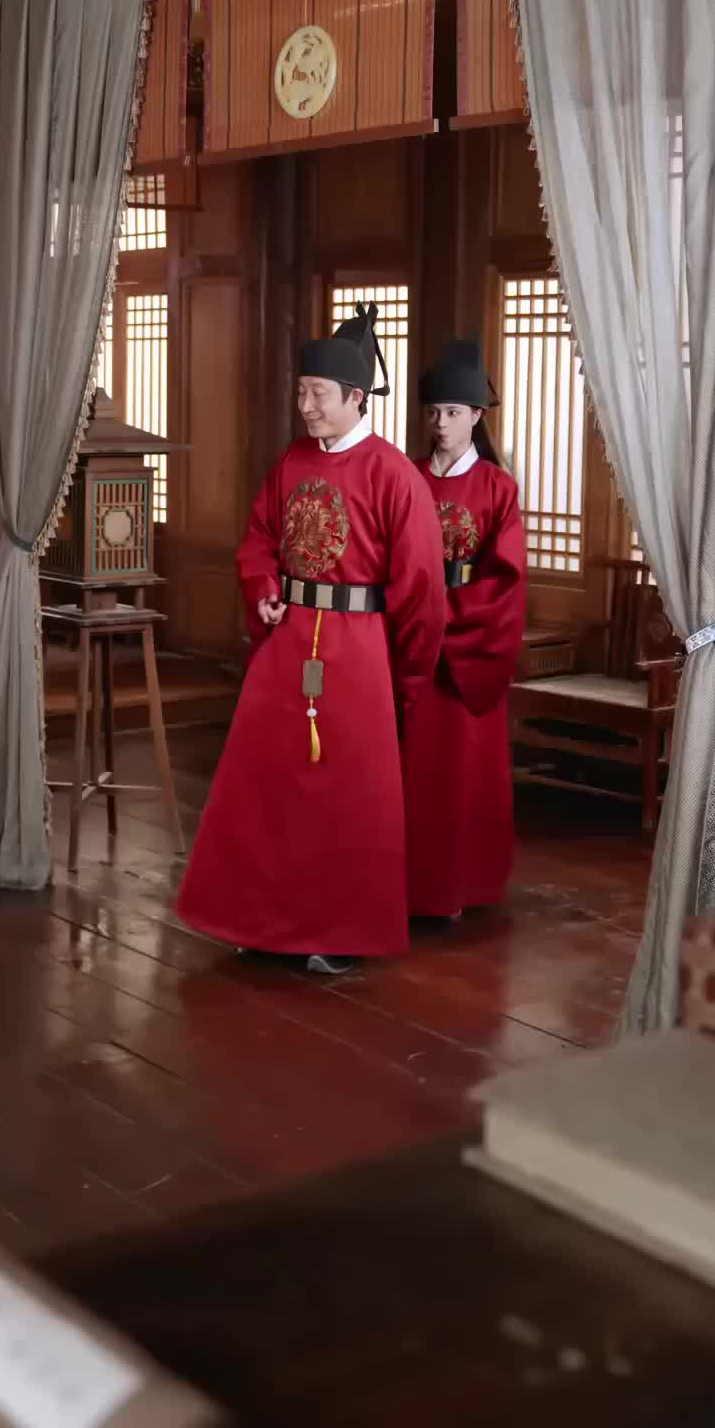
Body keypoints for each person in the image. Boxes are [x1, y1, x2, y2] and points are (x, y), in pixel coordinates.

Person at [176, 305, 446, 976]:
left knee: (344, 796)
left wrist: (405, 678)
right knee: (268, 786)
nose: (306, 406)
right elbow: (260, 538)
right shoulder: (292, 461)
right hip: (289, 641)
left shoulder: (394, 475)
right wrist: (263, 586)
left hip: (359, 648)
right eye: (301, 392)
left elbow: (421, 590)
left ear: (356, 397)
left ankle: (340, 930)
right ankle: (258, 920)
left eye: (318, 394)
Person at [402, 337, 527, 923]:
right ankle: (410, 885)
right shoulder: (407, 478)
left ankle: (462, 885)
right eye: (434, 412)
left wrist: (447, 619)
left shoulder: (498, 487)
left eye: (453, 412)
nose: (441, 423)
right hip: (413, 635)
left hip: (466, 647)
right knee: (413, 770)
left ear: (477, 415)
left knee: (462, 772)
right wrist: (414, 617)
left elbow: (506, 577)